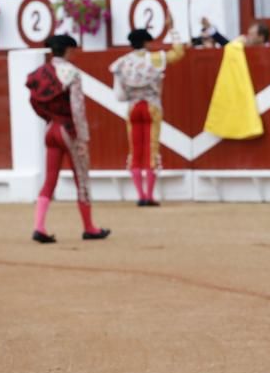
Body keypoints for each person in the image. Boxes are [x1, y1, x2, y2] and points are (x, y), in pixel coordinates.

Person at [26, 34, 110, 243]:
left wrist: (48, 119)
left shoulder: (40, 73)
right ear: (68, 50)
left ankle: (39, 227)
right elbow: (77, 108)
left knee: (50, 180)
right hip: (67, 129)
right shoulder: (72, 73)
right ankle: (89, 227)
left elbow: (34, 101)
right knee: (81, 179)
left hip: (51, 129)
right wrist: (81, 136)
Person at [110, 21, 185, 207]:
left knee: (135, 151)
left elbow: (119, 95)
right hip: (152, 107)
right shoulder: (155, 59)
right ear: (146, 43)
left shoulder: (122, 63)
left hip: (133, 108)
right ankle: (149, 196)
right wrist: (172, 29)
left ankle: (140, 194)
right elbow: (179, 53)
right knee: (151, 149)